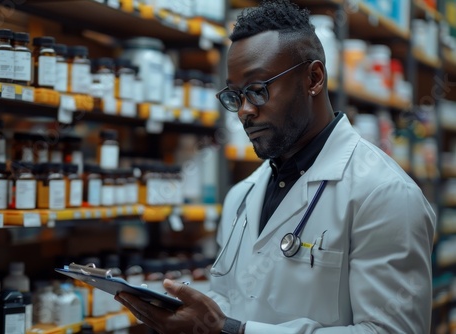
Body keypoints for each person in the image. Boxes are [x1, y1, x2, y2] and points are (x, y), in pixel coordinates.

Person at [115, 1, 436, 333]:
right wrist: (194, 316)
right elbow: (236, 302)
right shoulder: (241, 196)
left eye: (257, 91)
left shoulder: (385, 195)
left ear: (313, 78)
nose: (243, 112)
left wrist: (232, 330)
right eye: (234, 96)